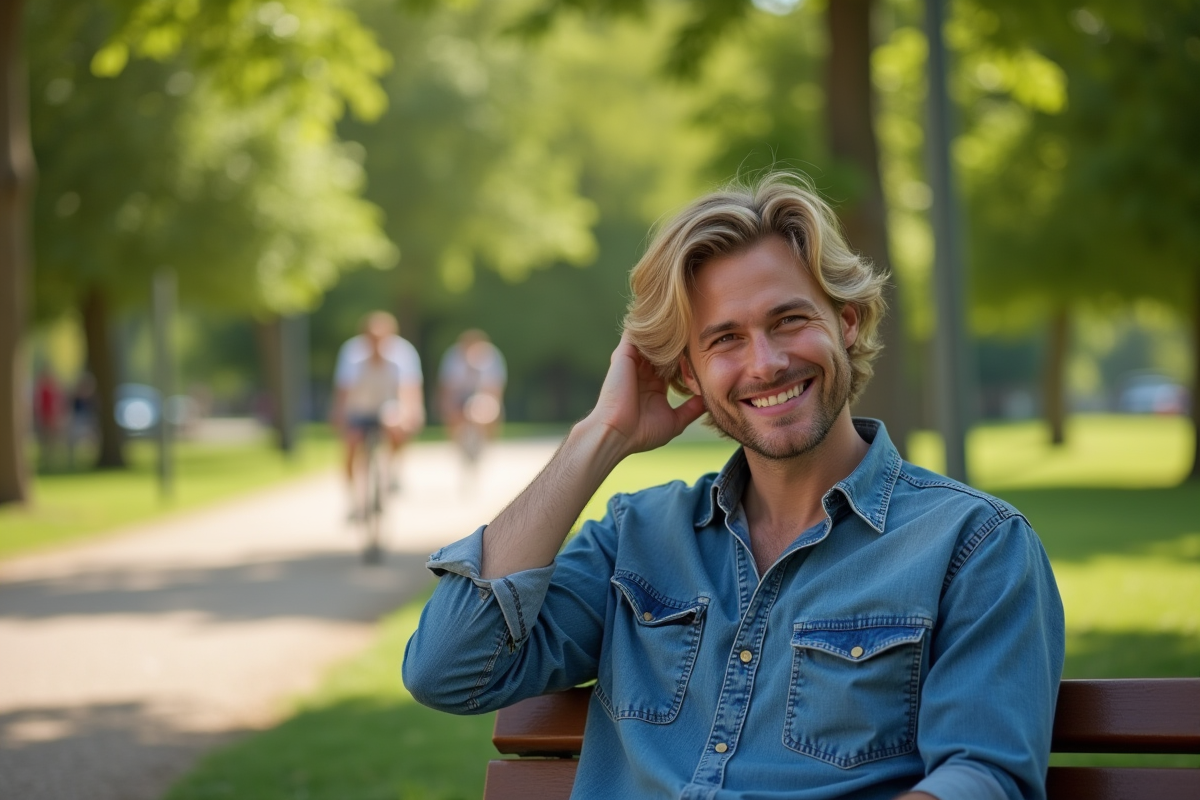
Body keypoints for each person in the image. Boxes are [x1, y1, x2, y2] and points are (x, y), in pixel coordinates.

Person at [403, 173, 1064, 800]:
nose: (766, 363)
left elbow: (982, 778)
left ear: (848, 321)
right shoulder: (636, 539)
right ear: (685, 373)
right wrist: (598, 437)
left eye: (789, 320)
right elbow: (448, 668)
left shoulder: (974, 546)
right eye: (724, 340)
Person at [330, 312, 425, 513]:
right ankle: (354, 500)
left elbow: (408, 390)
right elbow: (343, 392)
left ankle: (392, 472)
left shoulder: (402, 354)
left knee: (398, 424)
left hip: (387, 408)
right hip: (359, 409)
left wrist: (411, 413)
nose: (377, 344)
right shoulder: (351, 354)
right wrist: (339, 416)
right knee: (351, 443)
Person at [438, 329, 507, 472]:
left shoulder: (492, 358)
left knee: (486, 414)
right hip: (460, 398)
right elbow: (448, 390)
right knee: (453, 415)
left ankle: (482, 445)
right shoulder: (453, 358)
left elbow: (494, 391)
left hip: (482, 398)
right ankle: (460, 446)